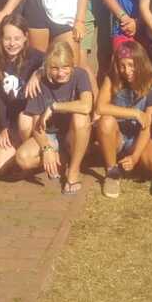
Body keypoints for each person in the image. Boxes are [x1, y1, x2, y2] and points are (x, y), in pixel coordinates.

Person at [10, 41, 94, 195]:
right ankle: (60, 159)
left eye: (65, 67)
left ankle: (74, 170)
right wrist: (46, 148)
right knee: (22, 158)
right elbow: (36, 124)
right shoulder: (39, 82)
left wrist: (54, 107)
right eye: (55, 68)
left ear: (72, 64)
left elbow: (87, 106)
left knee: (81, 118)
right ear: (47, 67)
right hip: (50, 134)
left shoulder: (80, 75)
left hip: (73, 134)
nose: (60, 73)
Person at [94, 41, 152, 198]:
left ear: (140, 63)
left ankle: (130, 160)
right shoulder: (112, 79)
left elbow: (147, 126)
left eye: (131, 65)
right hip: (116, 135)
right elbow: (100, 107)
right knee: (106, 121)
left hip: (137, 136)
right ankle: (112, 171)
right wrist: (134, 113)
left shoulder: (151, 85)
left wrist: (135, 157)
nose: (126, 71)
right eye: (122, 66)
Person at [0, 14, 46, 177]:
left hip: (32, 122)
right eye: (7, 38)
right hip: (13, 123)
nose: (12, 43)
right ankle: (24, 156)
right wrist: (4, 127)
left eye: (17, 38)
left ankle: (44, 156)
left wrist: (39, 73)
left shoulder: (36, 57)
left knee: (24, 121)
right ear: (1, 39)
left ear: (25, 37)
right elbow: (0, 99)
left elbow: (52, 62)